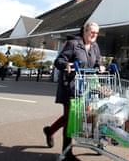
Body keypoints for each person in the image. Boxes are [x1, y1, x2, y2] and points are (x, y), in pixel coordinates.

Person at [43, 21, 102, 161]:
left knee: (76, 116)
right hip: (70, 86)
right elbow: (58, 61)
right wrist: (66, 64)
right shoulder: (73, 44)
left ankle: (50, 131)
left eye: (96, 33)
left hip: (86, 88)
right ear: (85, 32)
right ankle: (66, 153)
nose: (94, 35)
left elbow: (98, 61)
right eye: (92, 32)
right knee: (70, 118)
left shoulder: (95, 46)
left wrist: (101, 66)